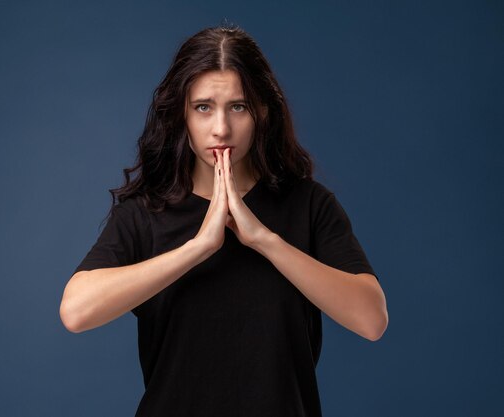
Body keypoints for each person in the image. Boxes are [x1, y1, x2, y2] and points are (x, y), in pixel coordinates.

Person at [60, 24, 388, 417]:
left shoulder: (309, 204)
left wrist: (264, 240)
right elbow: (76, 311)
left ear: (263, 111)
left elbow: (372, 320)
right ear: (182, 113)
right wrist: (198, 248)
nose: (221, 128)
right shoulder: (146, 214)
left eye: (238, 106)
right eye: (203, 107)